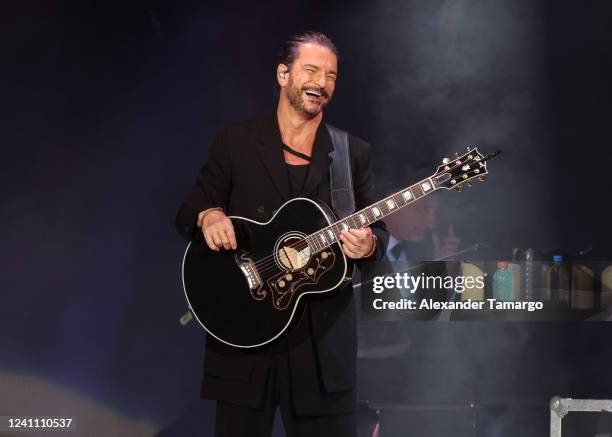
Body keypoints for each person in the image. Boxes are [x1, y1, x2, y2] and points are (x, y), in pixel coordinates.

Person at [175, 31, 388, 437]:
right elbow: (189, 209)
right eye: (311, 70)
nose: (321, 83)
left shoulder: (351, 152)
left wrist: (370, 243)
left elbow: (376, 229)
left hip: (322, 352)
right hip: (244, 341)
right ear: (283, 74)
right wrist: (209, 215)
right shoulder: (235, 142)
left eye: (331, 76)